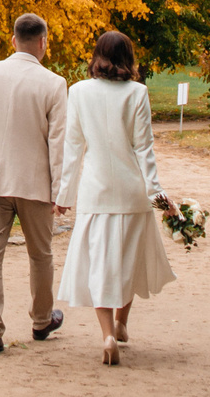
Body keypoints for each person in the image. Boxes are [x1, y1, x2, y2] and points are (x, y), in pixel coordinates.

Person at [54, 28, 177, 366]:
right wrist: (158, 195)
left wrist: (64, 194)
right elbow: (144, 149)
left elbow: (73, 147)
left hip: (96, 191)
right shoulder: (137, 93)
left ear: (97, 56)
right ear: (128, 59)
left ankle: (108, 333)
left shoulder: (77, 92)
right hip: (132, 192)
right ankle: (122, 323)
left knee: (99, 264)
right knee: (129, 262)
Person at [0, 12, 68, 355]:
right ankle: (41, 321)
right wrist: (60, 190)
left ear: (13, 40)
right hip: (34, 182)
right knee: (41, 255)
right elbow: (58, 144)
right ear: (43, 42)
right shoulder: (54, 83)